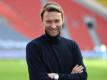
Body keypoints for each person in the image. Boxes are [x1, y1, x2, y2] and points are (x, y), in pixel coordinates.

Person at [26, 2, 87, 80]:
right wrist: (71, 76)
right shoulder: (33, 47)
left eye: (57, 21)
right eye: (49, 21)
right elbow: (37, 78)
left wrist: (56, 76)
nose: (53, 26)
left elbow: (83, 77)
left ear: (62, 21)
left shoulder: (72, 45)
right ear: (42, 22)